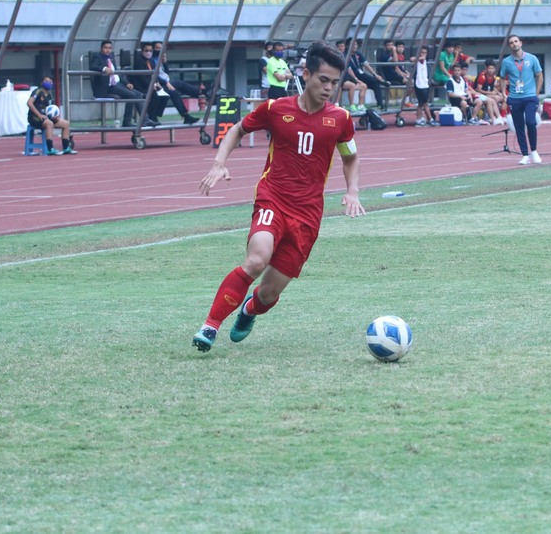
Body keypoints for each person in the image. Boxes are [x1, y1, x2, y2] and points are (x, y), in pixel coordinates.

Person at [192, 41, 365, 353]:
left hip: (308, 214)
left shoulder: (340, 118)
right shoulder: (275, 109)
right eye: (323, 80)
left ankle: (248, 310)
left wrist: (352, 190)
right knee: (257, 259)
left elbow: (350, 158)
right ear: (306, 74)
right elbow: (237, 130)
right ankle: (210, 326)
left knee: (268, 295)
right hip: (273, 199)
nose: (328, 88)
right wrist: (220, 163)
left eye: (334, 83)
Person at [499, 34, 543, 165]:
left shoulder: (532, 58)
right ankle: (525, 154)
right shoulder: (507, 62)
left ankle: (534, 150)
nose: (514, 44)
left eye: (516, 41)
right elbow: (502, 77)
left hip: (529, 97)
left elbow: (539, 76)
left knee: (530, 122)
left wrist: (536, 93)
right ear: (509, 46)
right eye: (511, 43)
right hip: (514, 98)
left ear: (521, 43)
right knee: (519, 127)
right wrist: (503, 93)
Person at [131, 43, 200, 125]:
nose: (149, 52)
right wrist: (155, 85)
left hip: (155, 85)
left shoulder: (151, 61)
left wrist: (161, 82)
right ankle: (153, 116)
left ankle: (185, 115)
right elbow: (143, 79)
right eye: (146, 50)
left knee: (173, 91)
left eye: (150, 51)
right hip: (144, 87)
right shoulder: (139, 61)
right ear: (142, 51)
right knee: (167, 91)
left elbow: (156, 75)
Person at [88, 40, 152, 128]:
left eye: (109, 48)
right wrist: (104, 68)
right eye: (105, 48)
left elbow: (117, 73)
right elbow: (92, 66)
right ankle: (133, 121)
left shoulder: (111, 58)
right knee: (132, 95)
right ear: (101, 48)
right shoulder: (97, 57)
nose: (107, 50)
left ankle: (143, 120)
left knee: (138, 94)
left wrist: (126, 83)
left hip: (118, 84)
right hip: (108, 86)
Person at [27, 76, 77, 155]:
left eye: (50, 82)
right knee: (49, 123)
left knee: (66, 123)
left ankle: (66, 148)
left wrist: (55, 117)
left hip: (46, 118)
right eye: (46, 81)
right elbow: (29, 103)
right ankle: (50, 149)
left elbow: (51, 109)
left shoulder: (50, 96)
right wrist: (39, 115)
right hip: (35, 118)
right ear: (42, 83)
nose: (49, 83)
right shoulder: (37, 91)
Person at [348, 39, 388, 110]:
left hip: (361, 75)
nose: (354, 46)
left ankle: (380, 104)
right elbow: (349, 70)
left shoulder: (358, 54)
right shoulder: (346, 55)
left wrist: (375, 74)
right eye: (352, 44)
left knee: (375, 84)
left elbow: (366, 65)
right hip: (353, 76)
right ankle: (382, 81)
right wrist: (356, 79)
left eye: (355, 44)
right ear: (348, 46)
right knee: (375, 81)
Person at [474, 60, 505, 125]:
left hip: (486, 94)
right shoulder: (482, 76)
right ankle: (493, 118)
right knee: (494, 99)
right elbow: (478, 89)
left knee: (503, 97)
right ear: (486, 68)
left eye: (492, 68)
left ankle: (501, 116)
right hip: (478, 94)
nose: (491, 70)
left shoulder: (493, 76)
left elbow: (492, 87)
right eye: (489, 68)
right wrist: (490, 93)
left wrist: (498, 92)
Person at [412, 46, 435, 127]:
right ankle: (429, 119)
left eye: (425, 53)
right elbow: (412, 59)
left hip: (425, 84)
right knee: (424, 103)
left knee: (422, 103)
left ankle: (420, 118)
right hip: (419, 84)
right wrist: (419, 57)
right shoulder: (417, 60)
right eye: (422, 52)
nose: (424, 54)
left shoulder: (426, 61)